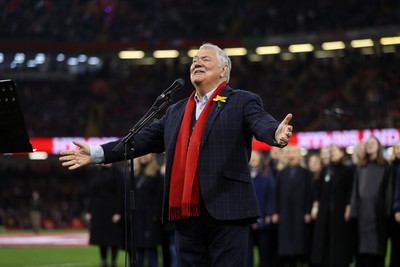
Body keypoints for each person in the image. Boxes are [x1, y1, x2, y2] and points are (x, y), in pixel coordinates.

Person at [59, 42, 293, 267]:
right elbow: (139, 139)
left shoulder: (241, 100)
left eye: (205, 59)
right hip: (185, 214)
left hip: (227, 211)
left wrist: (275, 133)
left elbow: (259, 121)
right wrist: (98, 153)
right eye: (194, 60)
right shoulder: (176, 110)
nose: (196, 63)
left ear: (224, 69)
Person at [310, 145, 356, 267]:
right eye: (330, 151)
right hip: (325, 212)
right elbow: (319, 191)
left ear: (342, 153)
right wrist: (316, 206)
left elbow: (350, 191)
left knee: (339, 239)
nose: (332, 153)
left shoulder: (347, 170)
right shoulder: (326, 170)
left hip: (340, 211)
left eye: (334, 151)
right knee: (324, 239)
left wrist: (348, 207)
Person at [350, 136, 392, 267]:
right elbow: (355, 191)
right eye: (368, 143)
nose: (370, 145)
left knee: (378, 252)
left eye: (373, 143)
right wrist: (353, 211)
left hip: (378, 214)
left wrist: (387, 212)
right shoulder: (361, 167)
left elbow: (388, 191)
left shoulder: (386, 166)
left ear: (379, 146)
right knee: (362, 253)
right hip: (362, 215)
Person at [272, 145, 314, 267]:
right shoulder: (280, 173)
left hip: (300, 213)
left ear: (298, 155)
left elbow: (309, 194)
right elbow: (276, 194)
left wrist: (307, 211)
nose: (291, 155)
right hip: (284, 213)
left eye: (294, 152)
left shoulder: (306, 173)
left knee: (300, 243)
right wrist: (275, 212)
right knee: (286, 245)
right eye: (289, 153)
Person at [85, 164, 125, 267]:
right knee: (101, 237)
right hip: (98, 210)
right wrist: (89, 210)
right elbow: (91, 193)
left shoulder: (117, 173)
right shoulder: (96, 173)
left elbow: (120, 193)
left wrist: (118, 212)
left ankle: (113, 261)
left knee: (113, 237)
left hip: (112, 208)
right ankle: (103, 260)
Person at [133, 154, 163, 267]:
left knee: (151, 248)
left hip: (151, 217)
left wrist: (156, 214)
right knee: (139, 249)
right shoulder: (134, 173)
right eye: (142, 154)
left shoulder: (156, 173)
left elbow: (159, 195)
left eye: (147, 154)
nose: (144, 156)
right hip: (138, 217)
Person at [247, 150, 276, 267]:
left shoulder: (266, 174)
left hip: (263, 217)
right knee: (247, 250)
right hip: (247, 219)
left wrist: (270, 213)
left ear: (261, 159)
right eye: (251, 155)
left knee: (264, 250)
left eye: (255, 156)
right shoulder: (245, 173)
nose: (253, 158)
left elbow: (271, 195)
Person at [389, 140, 400, 267]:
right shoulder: (390, 167)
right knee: (395, 246)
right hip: (393, 212)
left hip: (396, 208)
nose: (398, 150)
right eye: (396, 147)